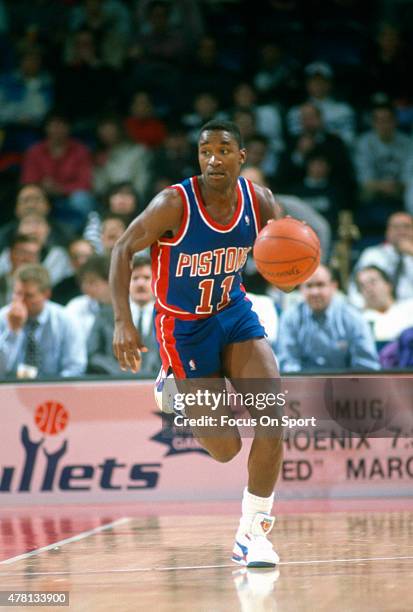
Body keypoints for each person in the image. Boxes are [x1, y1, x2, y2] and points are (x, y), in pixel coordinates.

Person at [110, 119, 295, 568]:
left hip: (234, 314)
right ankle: (172, 386)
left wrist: (292, 265)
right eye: (206, 150)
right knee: (226, 448)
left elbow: (286, 258)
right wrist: (122, 321)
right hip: (184, 328)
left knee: (273, 417)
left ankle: (253, 533)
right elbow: (122, 248)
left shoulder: (261, 201)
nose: (214, 158)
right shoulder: (174, 203)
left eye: (224, 150)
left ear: (242, 157)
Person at [276, 265, 380, 373]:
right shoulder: (290, 318)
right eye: (309, 286)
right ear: (301, 289)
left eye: (320, 285)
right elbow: (288, 364)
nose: (315, 292)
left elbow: (366, 366)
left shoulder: (353, 317)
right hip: (303, 387)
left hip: (347, 386)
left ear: (333, 287)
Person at [0, 263, 87, 379]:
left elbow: (75, 367)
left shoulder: (66, 320)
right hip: (11, 390)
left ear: (46, 294)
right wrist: (12, 332)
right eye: (17, 293)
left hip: (55, 390)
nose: (20, 301)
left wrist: (50, 389)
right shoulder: (3, 317)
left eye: (29, 295)